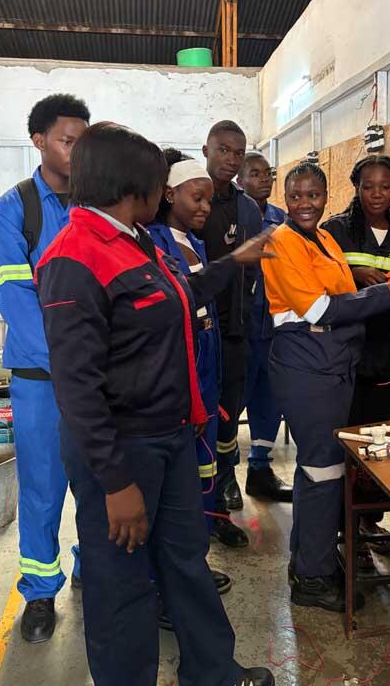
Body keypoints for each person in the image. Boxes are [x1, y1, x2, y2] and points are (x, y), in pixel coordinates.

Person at [36, 121, 275, 686]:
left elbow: (182, 293)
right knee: (122, 583)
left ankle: (212, 672)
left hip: (169, 437)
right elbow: (76, 386)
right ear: (133, 185)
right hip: (123, 450)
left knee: (185, 560)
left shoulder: (137, 242)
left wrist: (234, 261)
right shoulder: (74, 256)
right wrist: (116, 482)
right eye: (156, 181)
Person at [261, 161, 390, 613]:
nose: (304, 204)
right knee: (323, 472)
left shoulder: (324, 240)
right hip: (308, 369)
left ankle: (309, 560)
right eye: (295, 196)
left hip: (331, 365)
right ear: (285, 198)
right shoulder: (281, 242)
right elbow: (317, 310)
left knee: (317, 471)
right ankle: (313, 578)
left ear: (326, 196)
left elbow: (344, 295)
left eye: (313, 195)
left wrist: (385, 292)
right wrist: (386, 295)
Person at [0, 93, 90, 643]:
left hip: (95, 375)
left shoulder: (98, 202)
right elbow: (15, 297)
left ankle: (92, 567)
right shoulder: (15, 208)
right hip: (41, 378)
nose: (77, 151)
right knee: (42, 488)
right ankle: (39, 591)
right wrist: (68, 361)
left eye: (83, 142)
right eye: (67, 141)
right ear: (39, 141)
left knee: (96, 480)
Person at [322, 154, 390, 575]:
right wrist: (355, 276)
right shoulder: (337, 229)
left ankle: (368, 521)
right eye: (368, 186)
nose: (376, 194)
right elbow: (318, 280)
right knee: (345, 442)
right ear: (356, 187)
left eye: (385, 186)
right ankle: (344, 531)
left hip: (385, 354)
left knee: (376, 443)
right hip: (346, 352)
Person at [147, 148, 231, 596]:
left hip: (208, 364)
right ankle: (176, 573)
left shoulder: (196, 243)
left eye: (209, 200)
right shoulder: (155, 241)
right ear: (169, 194)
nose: (204, 208)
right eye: (196, 198)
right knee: (182, 478)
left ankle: (194, 561)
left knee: (205, 468)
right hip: (185, 369)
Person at [196, 120, 261, 548]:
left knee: (225, 428)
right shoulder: (189, 198)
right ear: (206, 149)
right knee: (197, 428)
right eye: (223, 150)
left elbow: (253, 273)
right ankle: (196, 517)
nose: (231, 159)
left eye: (238, 153)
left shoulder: (248, 210)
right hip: (196, 338)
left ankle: (220, 506)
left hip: (234, 336)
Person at [236, 152, 292, 501]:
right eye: (255, 174)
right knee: (233, 401)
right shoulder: (232, 215)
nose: (264, 179)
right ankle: (224, 477)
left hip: (272, 327)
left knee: (269, 400)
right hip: (239, 328)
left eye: (268, 173)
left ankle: (260, 470)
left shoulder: (281, 220)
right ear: (239, 180)